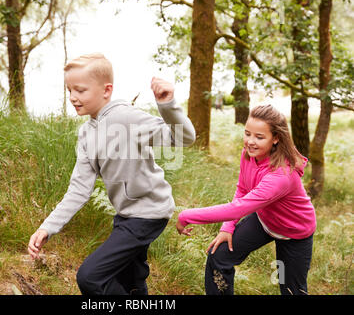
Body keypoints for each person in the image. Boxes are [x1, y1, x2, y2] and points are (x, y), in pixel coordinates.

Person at [28, 53, 196, 295]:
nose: (73, 97)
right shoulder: (86, 133)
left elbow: (184, 137)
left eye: (81, 90)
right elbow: (79, 189)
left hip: (148, 213)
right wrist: (47, 227)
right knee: (132, 281)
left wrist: (168, 105)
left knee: (91, 277)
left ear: (106, 90)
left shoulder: (126, 118)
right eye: (70, 90)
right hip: (126, 216)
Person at [176, 104, 316, 295]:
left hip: (294, 233)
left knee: (291, 290)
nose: (250, 141)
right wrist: (227, 228)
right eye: (247, 133)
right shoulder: (249, 155)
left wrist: (187, 215)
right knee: (219, 256)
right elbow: (242, 190)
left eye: (259, 137)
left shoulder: (281, 176)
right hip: (265, 221)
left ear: (276, 138)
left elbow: (238, 208)